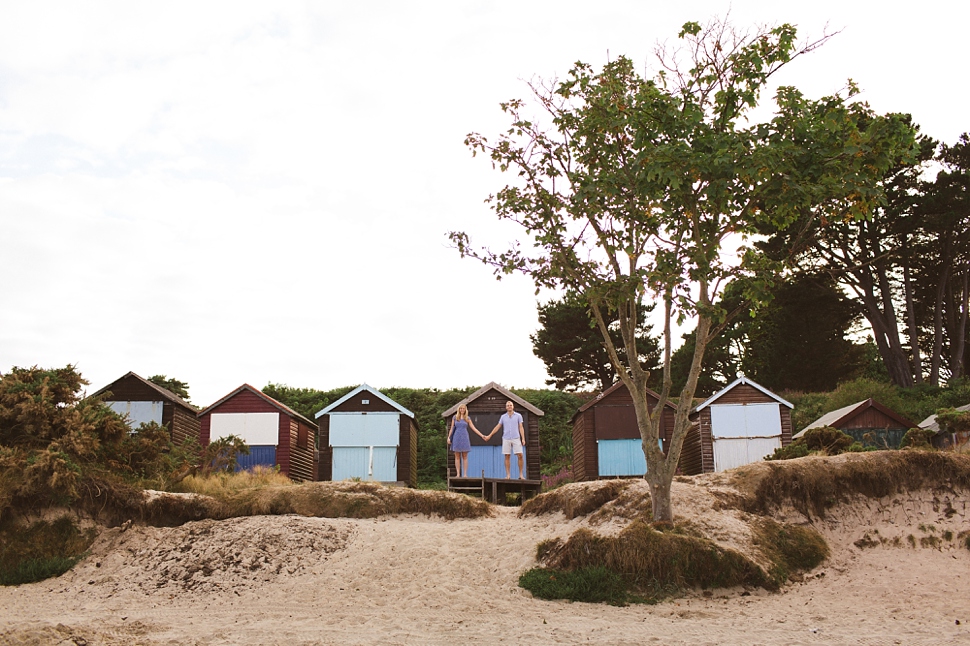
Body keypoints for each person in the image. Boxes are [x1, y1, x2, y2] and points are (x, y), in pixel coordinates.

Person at [486, 400, 526, 479]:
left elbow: (521, 427)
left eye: (510, 405)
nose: (509, 406)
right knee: (507, 456)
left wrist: (523, 438)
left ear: (513, 406)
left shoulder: (518, 416)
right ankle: (508, 475)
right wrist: (489, 435)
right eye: (508, 405)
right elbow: (498, 426)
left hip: (516, 437)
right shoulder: (503, 417)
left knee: (520, 455)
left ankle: (521, 474)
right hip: (506, 438)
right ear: (506, 407)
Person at [447, 404, 485, 477]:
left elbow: (474, 428)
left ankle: (465, 474)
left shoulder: (467, 418)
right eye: (461, 408)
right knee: (457, 456)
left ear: (465, 410)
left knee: (465, 456)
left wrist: (482, 435)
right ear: (459, 409)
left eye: (463, 408)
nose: (462, 410)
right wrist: (449, 437)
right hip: (456, 437)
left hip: (464, 436)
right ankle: (458, 474)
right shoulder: (455, 418)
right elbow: (452, 428)